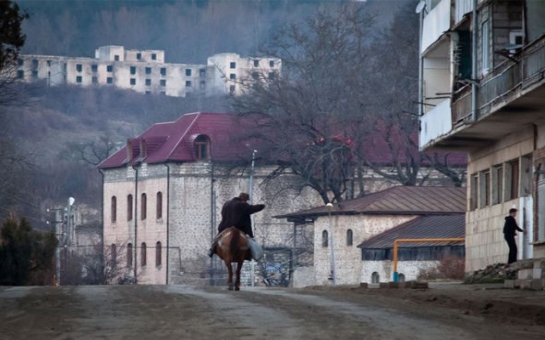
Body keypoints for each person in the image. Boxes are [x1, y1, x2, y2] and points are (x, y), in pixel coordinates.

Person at [208, 192, 265, 258]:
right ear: (243, 198)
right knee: (250, 241)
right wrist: (262, 206)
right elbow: (252, 208)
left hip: (225, 227)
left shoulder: (226, 204)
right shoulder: (242, 204)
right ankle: (251, 254)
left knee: (217, 239)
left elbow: (222, 213)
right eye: (246, 200)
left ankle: (211, 250)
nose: (246, 201)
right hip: (239, 227)